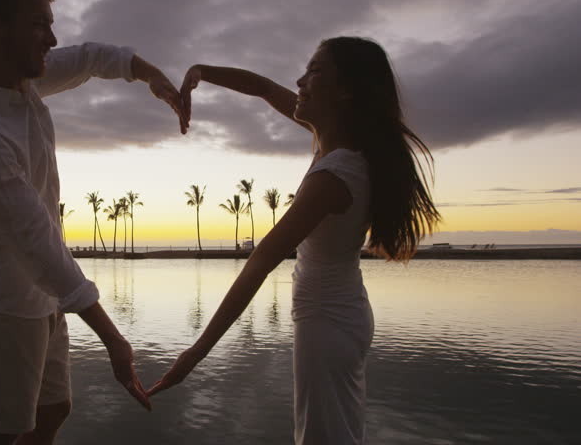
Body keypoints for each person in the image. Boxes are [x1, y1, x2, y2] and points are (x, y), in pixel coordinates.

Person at [147, 37, 441, 444]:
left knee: (323, 436)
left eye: (315, 72)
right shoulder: (336, 142)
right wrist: (201, 73)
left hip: (327, 322)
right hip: (340, 312)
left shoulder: (335, 175)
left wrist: (195, 353)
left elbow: (261, 260)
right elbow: (264, 88)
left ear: (344, 91)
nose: (300, 82)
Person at [0, 0, 187, 444]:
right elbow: (37, 242)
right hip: (5, 302)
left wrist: (151, 75)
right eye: (38, 25)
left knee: (54, 409)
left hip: (47, 294)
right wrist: (113, 338)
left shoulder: (20, 81)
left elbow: (92, 56)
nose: (51, 40)